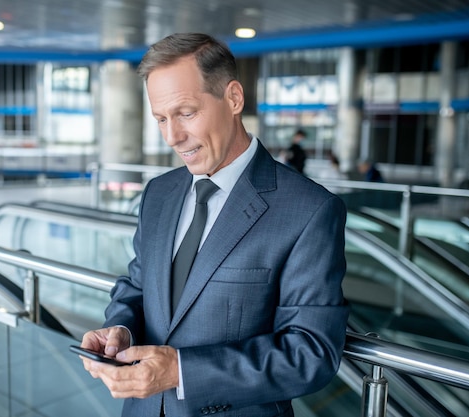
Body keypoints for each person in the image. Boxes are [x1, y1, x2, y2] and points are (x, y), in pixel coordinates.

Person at [79, 33, 349, 417]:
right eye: (161, 119)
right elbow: (138, 288)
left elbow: (310, 352)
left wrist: (181, 372)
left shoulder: (310, 210)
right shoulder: (159, 193)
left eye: (186, 113)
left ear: (234, 98)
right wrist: (120, 330)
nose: (173, 136)